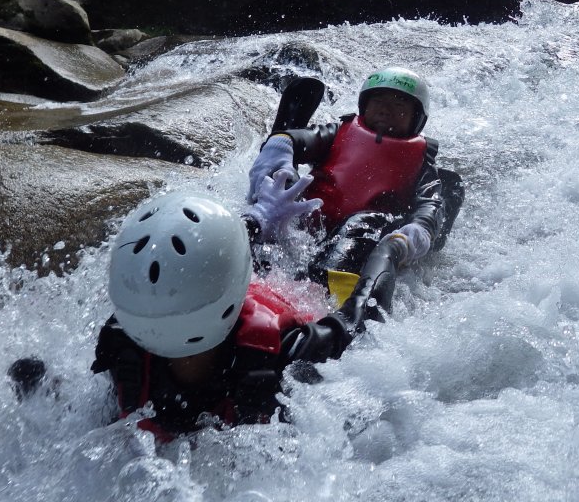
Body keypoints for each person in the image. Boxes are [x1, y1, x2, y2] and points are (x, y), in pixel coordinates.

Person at [84, 175, 410, 441]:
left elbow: (360, 319)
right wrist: (389, 252)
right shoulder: (287, 352)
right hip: (239, 288)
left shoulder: (126, 337)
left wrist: (390, 250)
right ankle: (258, 220)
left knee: (362, 225)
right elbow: (362, 315)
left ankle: (260, 219)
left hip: (295, 296)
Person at [247, 67, 464, 305]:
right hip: (308, 223)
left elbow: (429, 207)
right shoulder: (339, 133)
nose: (385, 110)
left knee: (362, 222)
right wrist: (281, 144)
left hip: (365, 242)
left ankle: (322, 297)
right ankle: (245, 257)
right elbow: (299, 140)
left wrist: (415, 234)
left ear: (417, 119)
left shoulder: (421, 166)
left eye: (399, 106)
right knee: (283, 192)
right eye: (378, 101)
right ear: (364, 105)